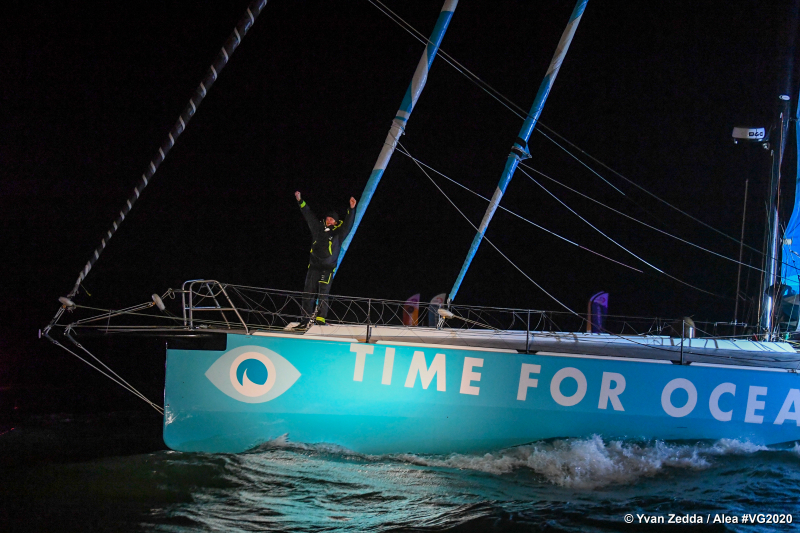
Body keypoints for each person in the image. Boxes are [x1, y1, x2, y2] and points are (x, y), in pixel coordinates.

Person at [295, 191, 357, 327]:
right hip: (314, 266)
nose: (329, 220)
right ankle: (305, 319)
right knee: (308, 293)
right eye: (328, 218)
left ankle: (320, 319)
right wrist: (300, 200)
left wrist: (352, 209)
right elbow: (308, 215)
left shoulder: (338, 233)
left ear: (335, 222)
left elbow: (348, 225)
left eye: (332, 219)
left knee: (323, 294)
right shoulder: (317, 228)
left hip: (328, 268)